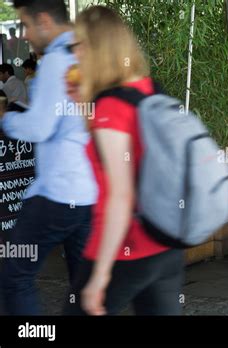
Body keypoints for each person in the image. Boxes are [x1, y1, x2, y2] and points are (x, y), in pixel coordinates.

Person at [63, 5, 184, 316]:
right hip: (166, 243)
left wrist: (100, 274)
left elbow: (120, 195)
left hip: (123, 247)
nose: (74, 53)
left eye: (77, 45)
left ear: (95, 47)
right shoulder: (148, 89)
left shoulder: (111, 106)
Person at [0, 0, 97, 315]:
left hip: (56, 192)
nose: (25, 35)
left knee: (14, 276)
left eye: (26, 25)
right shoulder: (88, 55)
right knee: (84, 285)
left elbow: (40, 127)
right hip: (87, 192)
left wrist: (5, 118)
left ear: (43, 20)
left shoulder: (56, 62)